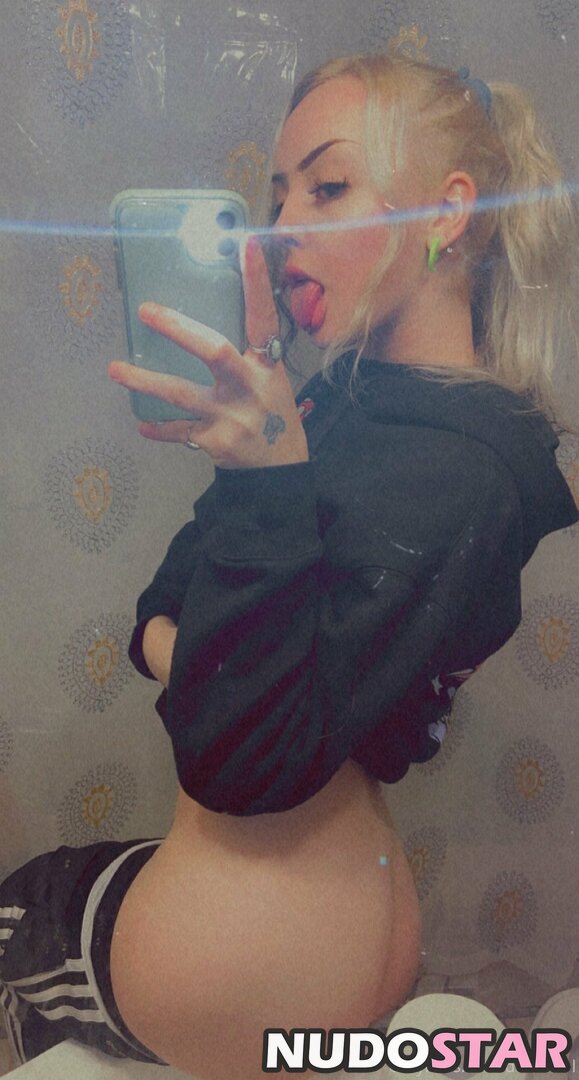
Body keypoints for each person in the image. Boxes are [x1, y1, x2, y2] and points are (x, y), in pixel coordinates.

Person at [1, 52, 577, 1080]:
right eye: (277, 196)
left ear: (448, 213)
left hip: (254, 959)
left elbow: (236, 760)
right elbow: (164, 605)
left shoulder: (460, 471)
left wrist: (261, 500)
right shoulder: (338, 402)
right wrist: (206, 629)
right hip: (290, 932)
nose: (280, 226)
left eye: (328, 185)